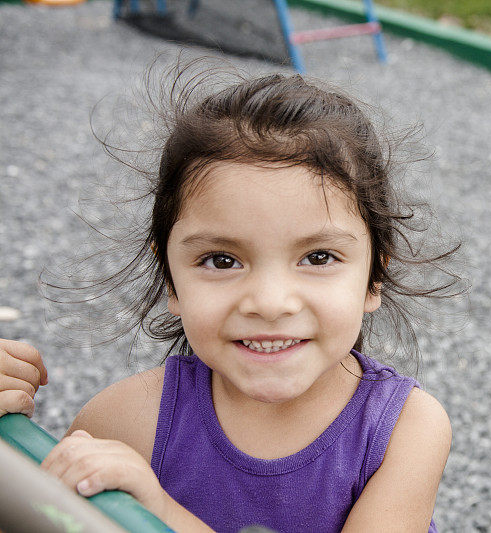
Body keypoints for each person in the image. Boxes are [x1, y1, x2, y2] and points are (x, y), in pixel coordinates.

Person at [0, 65, 464, 533]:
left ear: (374, 277)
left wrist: (156, 514)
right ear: (172, 281)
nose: (269, 302)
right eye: (222, 261)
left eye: (318, 256)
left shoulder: (405, 430)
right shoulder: (126, 419)